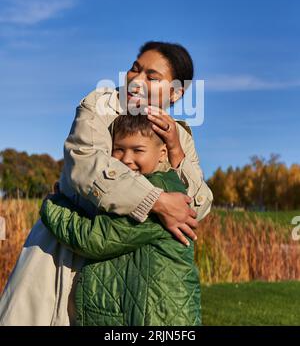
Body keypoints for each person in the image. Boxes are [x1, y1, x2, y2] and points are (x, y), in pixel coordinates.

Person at [0, 41, 213, 325]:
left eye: (151, 76)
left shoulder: (179, 135)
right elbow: (87, 164)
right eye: (134, 69)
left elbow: (198, 205)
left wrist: (176, 151)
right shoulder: (100, 106)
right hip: (66, 253)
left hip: (139, 273)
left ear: (175, 93)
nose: (136, 81)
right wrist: (157, 201)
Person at [41, 114, 202, 326]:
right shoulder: (131, 193)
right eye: (119, 149)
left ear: (162, 154)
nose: (126, 159)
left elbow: (94, 239)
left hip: (159, 319)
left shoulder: (163, 197)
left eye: (138, 150)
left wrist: (52, 206)